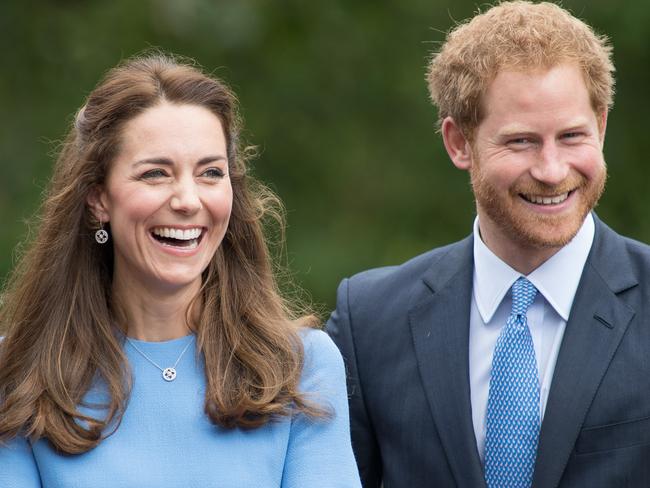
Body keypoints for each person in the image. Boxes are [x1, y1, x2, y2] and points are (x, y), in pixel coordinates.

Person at [0, 53, 361, 487]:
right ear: (99, 198)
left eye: (210, 172)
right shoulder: (18, 371)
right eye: (156, 174)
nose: (188, 200)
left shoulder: (301, 366)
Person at [327, 1, 650, 487]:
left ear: (600, 127)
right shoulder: (370, 323)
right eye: (521, 141)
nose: (551, 169)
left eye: (571, 136)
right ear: (458, 143)